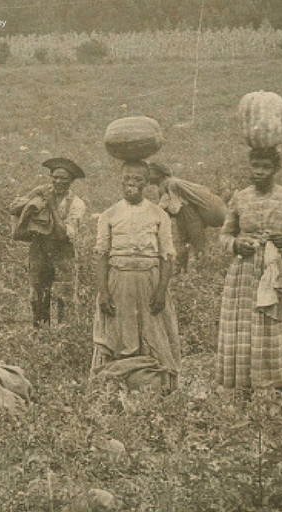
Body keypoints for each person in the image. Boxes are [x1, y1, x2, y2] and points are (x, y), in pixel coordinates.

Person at [217, 147, 282, 393]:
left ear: (276, 169)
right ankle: (244, 384)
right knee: (246, 326)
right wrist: (236, 244)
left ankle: (279, 382)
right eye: (255, 166)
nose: (259, 172)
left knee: (275, 325)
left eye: (266, 167)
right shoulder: (240, 198)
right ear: (249, 166)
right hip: (245, 273)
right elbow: (225, 235)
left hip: (278, 271)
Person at [92, 160, 181, 391]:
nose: (131, 184)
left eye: (138, 179)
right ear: (120, 181)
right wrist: (104, 292)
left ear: (147, 183)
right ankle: (116, 384)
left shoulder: (158, 214)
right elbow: (101, 254)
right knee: (119, 332)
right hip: (118, 281)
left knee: (153, 330)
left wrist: (161, 291)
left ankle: (158, 384)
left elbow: (167, 256)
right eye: (127, 179)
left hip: (149, 282)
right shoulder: (109, 214)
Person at [9, 158, 87, 327]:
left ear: (72, 181)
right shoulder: (40, 194)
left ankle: (63, 334)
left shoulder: (77, 204)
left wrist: (51, 205)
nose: (58, 182)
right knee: (37, 294)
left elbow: (63, 235)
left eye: (64, 178)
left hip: (63, 251)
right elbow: (17, 210)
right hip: (39, 249)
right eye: (55, 177)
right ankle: (40, 332)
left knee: (64, 296)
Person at [146, 161, 227, 273]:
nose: (147, 176)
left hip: (188, 214)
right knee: (185, 242)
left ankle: (199, 270)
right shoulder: (167, 184)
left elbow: (174, 207)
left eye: (149, 173)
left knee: (195, 241)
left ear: (158, 173)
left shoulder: (169, 184)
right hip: (184, 215)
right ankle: (184, 269)